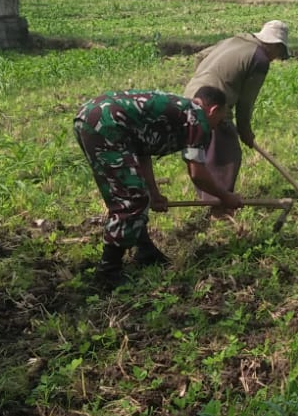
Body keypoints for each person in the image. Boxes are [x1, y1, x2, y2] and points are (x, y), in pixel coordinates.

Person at [74, 87, 243, 285]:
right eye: (219, 121)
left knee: (135, 193)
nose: (215, 129)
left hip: (90, 117)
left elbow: (142, 149)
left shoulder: (178, 110)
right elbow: (197, 174)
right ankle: (108, 272)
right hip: (106, 124)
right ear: (213, 110)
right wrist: (225, 196)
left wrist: (154, 193)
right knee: (132, 200)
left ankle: (145, 251)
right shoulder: (197, 118)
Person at [183, 20, 290, 206]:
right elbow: (246, 102)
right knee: (226, 151)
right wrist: (245, 130)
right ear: (276, 46)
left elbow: (201, 56)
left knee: (202, 148)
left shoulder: (234, 40)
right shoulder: (260, 60)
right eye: (279, 53)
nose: (276, 58)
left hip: (190, 95)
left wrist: (202, 81)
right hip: (212, 104)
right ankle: (219, 204)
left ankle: (210, 198)